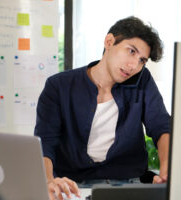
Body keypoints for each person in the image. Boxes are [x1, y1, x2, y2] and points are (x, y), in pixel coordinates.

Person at [34, 16, 170, 200]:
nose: (133, 65)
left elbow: (161, 125)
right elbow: (45, 142)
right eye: (131, 51)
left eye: (142, 60)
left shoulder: (142, 81)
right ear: (109, 41)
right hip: (73, 185)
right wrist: (48, 180)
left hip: (127, 186)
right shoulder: (59, 86)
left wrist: (167, 170)